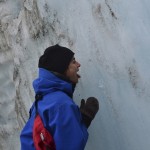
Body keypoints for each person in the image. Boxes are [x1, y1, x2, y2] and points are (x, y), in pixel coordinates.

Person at [20, 44, 99, 150]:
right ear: (63, 68)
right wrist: (85, 119)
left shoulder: (43, 99)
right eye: (73, 61)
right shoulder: (61, 104)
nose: (78, 65)